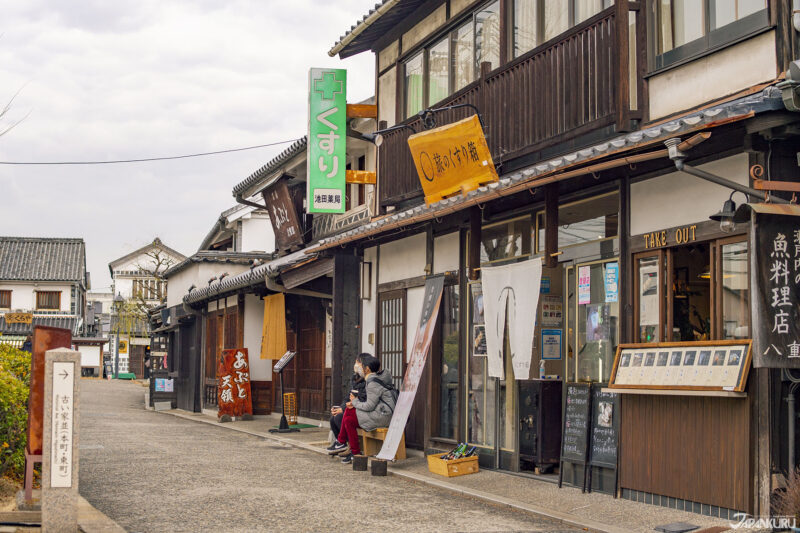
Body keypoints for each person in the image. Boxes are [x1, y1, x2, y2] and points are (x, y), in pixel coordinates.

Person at [327, 353, 396, 464]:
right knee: (348, 418)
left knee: (348, 413)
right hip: (379, 412)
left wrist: (354, 402)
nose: (357, 366)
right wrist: (352, 403)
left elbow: (369, 405)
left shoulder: (372, 383)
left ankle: (343, 444)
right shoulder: (372, 380)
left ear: (367, 368)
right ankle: (354, 452)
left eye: (359, 364)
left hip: (382, 416)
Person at [328, 365, 367, 445]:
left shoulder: (368, 382)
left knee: (340, 418)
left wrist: (343, 409)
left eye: (358, 362)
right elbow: (347, 398)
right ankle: (341, 443)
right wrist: (340, 408)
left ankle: (349, 445)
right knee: (333, 419)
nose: (355, 365)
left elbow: (364, 400)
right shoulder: (356, 380)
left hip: (361, 411)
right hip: (352, 408)